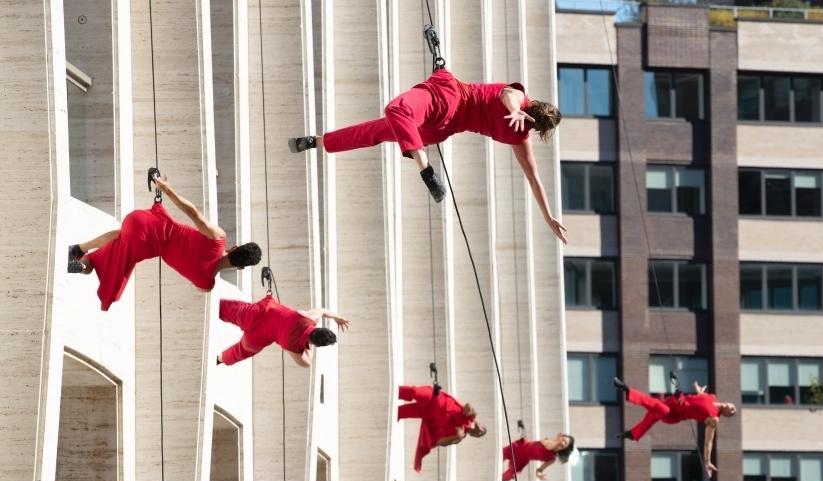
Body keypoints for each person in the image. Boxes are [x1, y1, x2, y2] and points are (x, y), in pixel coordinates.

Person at [288, 68, 567, 244]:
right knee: (378, 131)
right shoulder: (520, 137)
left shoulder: (521, 98)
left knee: (396, 111)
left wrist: (516, 108)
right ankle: (318, 142)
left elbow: (509, 94)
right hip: (442, 130)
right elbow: (534, 180)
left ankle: (425, 169)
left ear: (535, 106)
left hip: (448, 97)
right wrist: (548, 216)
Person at [68, 174, 262, 311]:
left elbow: (193, 213)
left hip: (144, 221)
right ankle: (75, 261)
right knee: (103, 270)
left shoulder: (217, 239)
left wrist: (166, 190)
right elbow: (198, 277)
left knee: (120, 238)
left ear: (236, 247)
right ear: (241, 268)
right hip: (146, 244)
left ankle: (79, 249)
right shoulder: (206, 283)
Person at [616, 378, 737, 478]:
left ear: (726, 414)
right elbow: (700, 399)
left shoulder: (714, 419)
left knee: (655, 405)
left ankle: (626, 389)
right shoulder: (712, 397)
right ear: (730, 403)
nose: (733, 409)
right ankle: (633, 434)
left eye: (732, 412)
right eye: (733, 407)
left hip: (673, 415)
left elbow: (708, 442)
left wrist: (707, 462)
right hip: (673, 402)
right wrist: (698, 390)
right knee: (652, 414)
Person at [216, 294, 348, 367]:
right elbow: (308, 363)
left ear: (319, 327)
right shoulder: (295, 348)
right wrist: (307, 345)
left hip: (258, 314)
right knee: (241, 351)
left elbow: (324, 311)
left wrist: (338, 318)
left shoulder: (309, 317)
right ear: (316, 345)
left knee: (225, 309)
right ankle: (220, 359)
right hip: (258, 338)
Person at [396, 385, 486, 471]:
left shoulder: (460, 436)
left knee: (399, 412)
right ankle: (393, 390)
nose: (480, 432)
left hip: (427, 414)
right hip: (434, 398)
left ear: (473, 436)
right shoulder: (470, 417)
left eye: (479, 435)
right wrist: (471, 411)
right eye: (482, 429)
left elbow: (440, 442)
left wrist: (456, 437)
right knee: (413, 392)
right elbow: (468, 406)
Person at [501, 433, 574, 481]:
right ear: (560, 437)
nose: (563, 443)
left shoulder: (552, 459)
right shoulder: (548, 441)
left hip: (522, 460)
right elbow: (551, 446)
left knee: (509, 475)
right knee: (500, 455)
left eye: (565, 444)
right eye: (563, 440)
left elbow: (540, 469)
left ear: (565, 449)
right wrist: (559, 440)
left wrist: (539, 474)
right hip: (519, 447)